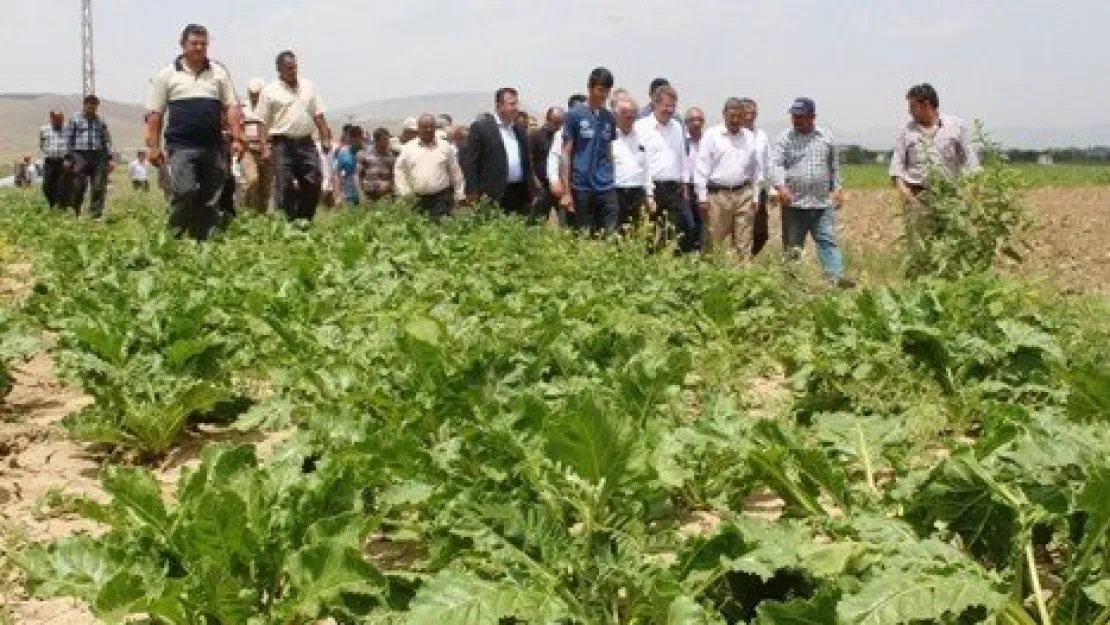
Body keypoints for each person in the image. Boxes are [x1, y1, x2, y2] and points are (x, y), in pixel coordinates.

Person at [146, 24, 242, 240]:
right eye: (194, 43)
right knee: (184, 191)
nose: (199, 48)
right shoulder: (167, 74)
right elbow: (155, 113)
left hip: (213, 146)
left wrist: (237, 138)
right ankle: (173, 237)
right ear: (183, 45)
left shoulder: (218, 73)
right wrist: (153, 146)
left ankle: (203, 242)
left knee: (211, 197)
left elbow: (231, 107)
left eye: (203, 44)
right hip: (181, 146)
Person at [889, 83, 980, 272]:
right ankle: (920, 284)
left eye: (912, 106)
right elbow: (896, 168)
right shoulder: (906, 131)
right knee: (918, 247)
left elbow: (972, 164)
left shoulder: (956, 126)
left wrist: (970, 194)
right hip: (917, 196)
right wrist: (907, 196)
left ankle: (949, 284)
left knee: (950, 244)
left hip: (949, 197)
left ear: (926, 105)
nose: (909, 111)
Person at [772, 98, 854, 288]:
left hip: (822, 203)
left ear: (812, 116)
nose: (796, 120)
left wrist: (838, 189)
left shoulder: (826, 137)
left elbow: (834, 166)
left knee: (827, 242)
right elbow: (775, 165)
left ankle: (836, 280)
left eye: (800, 116)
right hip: (795, 204)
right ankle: (790, 286)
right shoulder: (785, 138)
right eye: (794, 116)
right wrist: (780, 187)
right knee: (793, 247)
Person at [257, 50, 333, 221]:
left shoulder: (308, 86)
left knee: (314, 181)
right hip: (282, 145)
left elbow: (318, 115)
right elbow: (262, 122)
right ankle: (290, 222)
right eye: (289, 68)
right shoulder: (269, 91)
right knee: (285, 185)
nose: (293, 71)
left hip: (306, 142)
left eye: (295, 67)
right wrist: (264, 148)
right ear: (279, 69)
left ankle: (304, 220)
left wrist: (325, 137)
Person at [694, 97, 762, 258]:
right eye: (732, 116)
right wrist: (702, 199)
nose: (735, 120)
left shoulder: (749, 137)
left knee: (744, 244)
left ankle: (744, 280)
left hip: (743, 194)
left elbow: (756, 170)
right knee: (712, 242)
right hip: (718, 197)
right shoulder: (712, 135)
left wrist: (756, 197)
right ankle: (708, 279)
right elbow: (701, 169)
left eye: (739, 116)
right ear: (724, 114)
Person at [634, 84, 696, 252]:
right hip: (651, 187)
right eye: (666, 106)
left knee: (675, 231)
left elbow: (682, 156)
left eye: (672, 106)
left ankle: (666, 267)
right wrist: (647, 192)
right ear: (655, 103)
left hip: (673, 188)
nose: (669, 110)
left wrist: (684, 182)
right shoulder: (641, 127)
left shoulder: (677, 126)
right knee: (648, 232)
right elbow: (639, 160)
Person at [560, 68, 619, 234]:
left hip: (605, 185)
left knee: (610, 233)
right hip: (582, 185)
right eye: (600, 90)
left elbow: (609, 151)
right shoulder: (574, 115)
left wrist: (611, 175)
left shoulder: (609, 117)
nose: (603, 95)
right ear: (590, 88)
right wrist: (566, 192)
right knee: (583, 234)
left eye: (607, 91)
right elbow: (566, 153)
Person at [463, 87, 534, 217]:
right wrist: (471, 191)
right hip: (493, 192)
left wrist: (532, 190)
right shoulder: (481, 128)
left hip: (519, 192)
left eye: (516, 103)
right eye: (512, 104)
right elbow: (471, 162)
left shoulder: (519, 129)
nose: (516, 108)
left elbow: (526, 162)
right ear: (499, 106)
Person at [394, 114, 465, 221]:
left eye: (431, 127)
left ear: (435, 128)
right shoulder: (408, 148)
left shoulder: (445, 147)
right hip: (417, 199)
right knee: (419, 229)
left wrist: (459, 194)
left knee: (440, 229)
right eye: (424, 127)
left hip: (441, 198)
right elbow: (399, 171)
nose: (428, 130)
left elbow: (455, 172)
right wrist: (405, 192)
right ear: (418, 128)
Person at [65, 95, 114, 218]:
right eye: (89, 104)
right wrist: (68, 157)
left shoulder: (101, 121)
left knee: (98, 186)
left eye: (94, 105)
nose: (92, 107)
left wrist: (110, 158)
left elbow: (106, 140)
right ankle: (74, 212)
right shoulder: (75, 119)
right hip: (79, 155)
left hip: (98, 156)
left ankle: (95, 215)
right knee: (78, 185)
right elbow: (69, 139)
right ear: (84, 105)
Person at [611, 98, 652, 230]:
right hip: (616, 192)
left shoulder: (642, 138)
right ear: (616, 115)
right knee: (615, 231)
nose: (629, 119)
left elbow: (646, 169)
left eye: (632, 115)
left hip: (637, 193)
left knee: (636, 232)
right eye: (625, 115)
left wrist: (649, 194)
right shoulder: (609, 138)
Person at [547, 94, 587, 226]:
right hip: (569, 185)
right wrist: (554, 180)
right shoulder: (563, 132)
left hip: (590, 186)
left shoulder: (594, 128)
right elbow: (554, 157)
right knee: (569, 225)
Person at [741, 99, 774, 255]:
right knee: (739, 230)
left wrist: (771, 189)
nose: (750, 116)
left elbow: (768, 164)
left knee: (761, 233)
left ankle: (747, 259)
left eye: (753, 113)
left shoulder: (761, 135)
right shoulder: (731, 134)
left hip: (758, 190)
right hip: (738, 189)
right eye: (747, 113)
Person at [239, 78, 272, 212]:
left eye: (257, 94)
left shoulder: (270, 107)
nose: (254, 97)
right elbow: (238, 126)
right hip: (248, 150)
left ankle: (261, 217)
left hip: (266, 149)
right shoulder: (243, 107)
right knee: (252, 180)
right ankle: (248, 211)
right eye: (251, 94)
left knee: (265, 187)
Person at [529, 106, 565, 224]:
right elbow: (529, 162)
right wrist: (535, 183)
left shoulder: (563, 138)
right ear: (547, 119)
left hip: (560, 187)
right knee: (538, 222)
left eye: (561, 122)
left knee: (565, 222)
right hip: (542, 187)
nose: (558, 125)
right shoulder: (536, 136)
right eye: (556, 122)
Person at [683, 107, 706, 251]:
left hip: (704, 188)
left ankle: (700, 253)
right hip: (686, 188)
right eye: (692, 120)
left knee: (703, 224)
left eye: (699, 120)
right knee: (688, 224)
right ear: (686, 123)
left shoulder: (708, 141)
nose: (696, 123)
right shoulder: (682, 142)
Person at [39, 111, 71, 208]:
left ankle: (62, 207)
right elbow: (41, 144)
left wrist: (68, 159)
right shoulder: (44, 129)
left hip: (63, 161)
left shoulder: (68, 130)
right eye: (56, 119)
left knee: (62, 186)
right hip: (50, 161)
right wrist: (47, 152)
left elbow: (71, 145)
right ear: (51, 118)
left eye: (60, 119)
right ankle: (52, 204)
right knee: (47, 186)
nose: (58, 121)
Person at [359, 127, 396, 204]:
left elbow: (394, 175)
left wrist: (389, 185)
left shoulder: (391, 156)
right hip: (369, 195)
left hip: (386, 195)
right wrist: (362, 192)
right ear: (376, 141)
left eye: (387, 140)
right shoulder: (365, 155)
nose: (387, 143)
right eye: (384, 140)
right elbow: (360, 175)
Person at [335, 126, 363, 207]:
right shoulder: (343, 153)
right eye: (354, 139)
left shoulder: (366, 153)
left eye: (358, 139)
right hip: (348, 194)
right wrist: (337, 195)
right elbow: (337, 174)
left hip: (364, 194)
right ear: (350, 139)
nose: (356, 142)